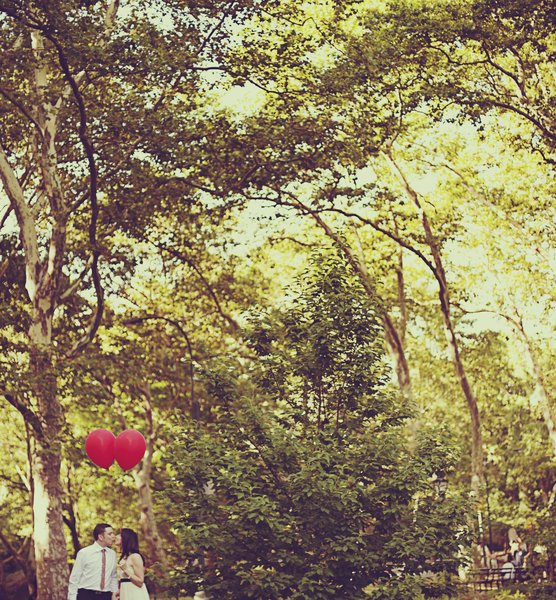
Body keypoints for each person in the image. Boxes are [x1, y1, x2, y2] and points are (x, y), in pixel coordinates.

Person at [68, 523, 118, 600]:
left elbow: (113, 577)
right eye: (110, 534)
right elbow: (74, 578)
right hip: (86, 595)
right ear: (100, 537)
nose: (113, 536)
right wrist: (72, 598)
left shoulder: (112, 554)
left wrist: (114, 593)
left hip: (106, 596)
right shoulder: (84, 553)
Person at [116, 528, 150, 600]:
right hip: (125, 593)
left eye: (120, 535)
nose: (116, 536)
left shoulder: (135, 556)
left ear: (126, 538)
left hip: (135, 594)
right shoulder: (124, 557)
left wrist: (126, 570)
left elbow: (140, 582)